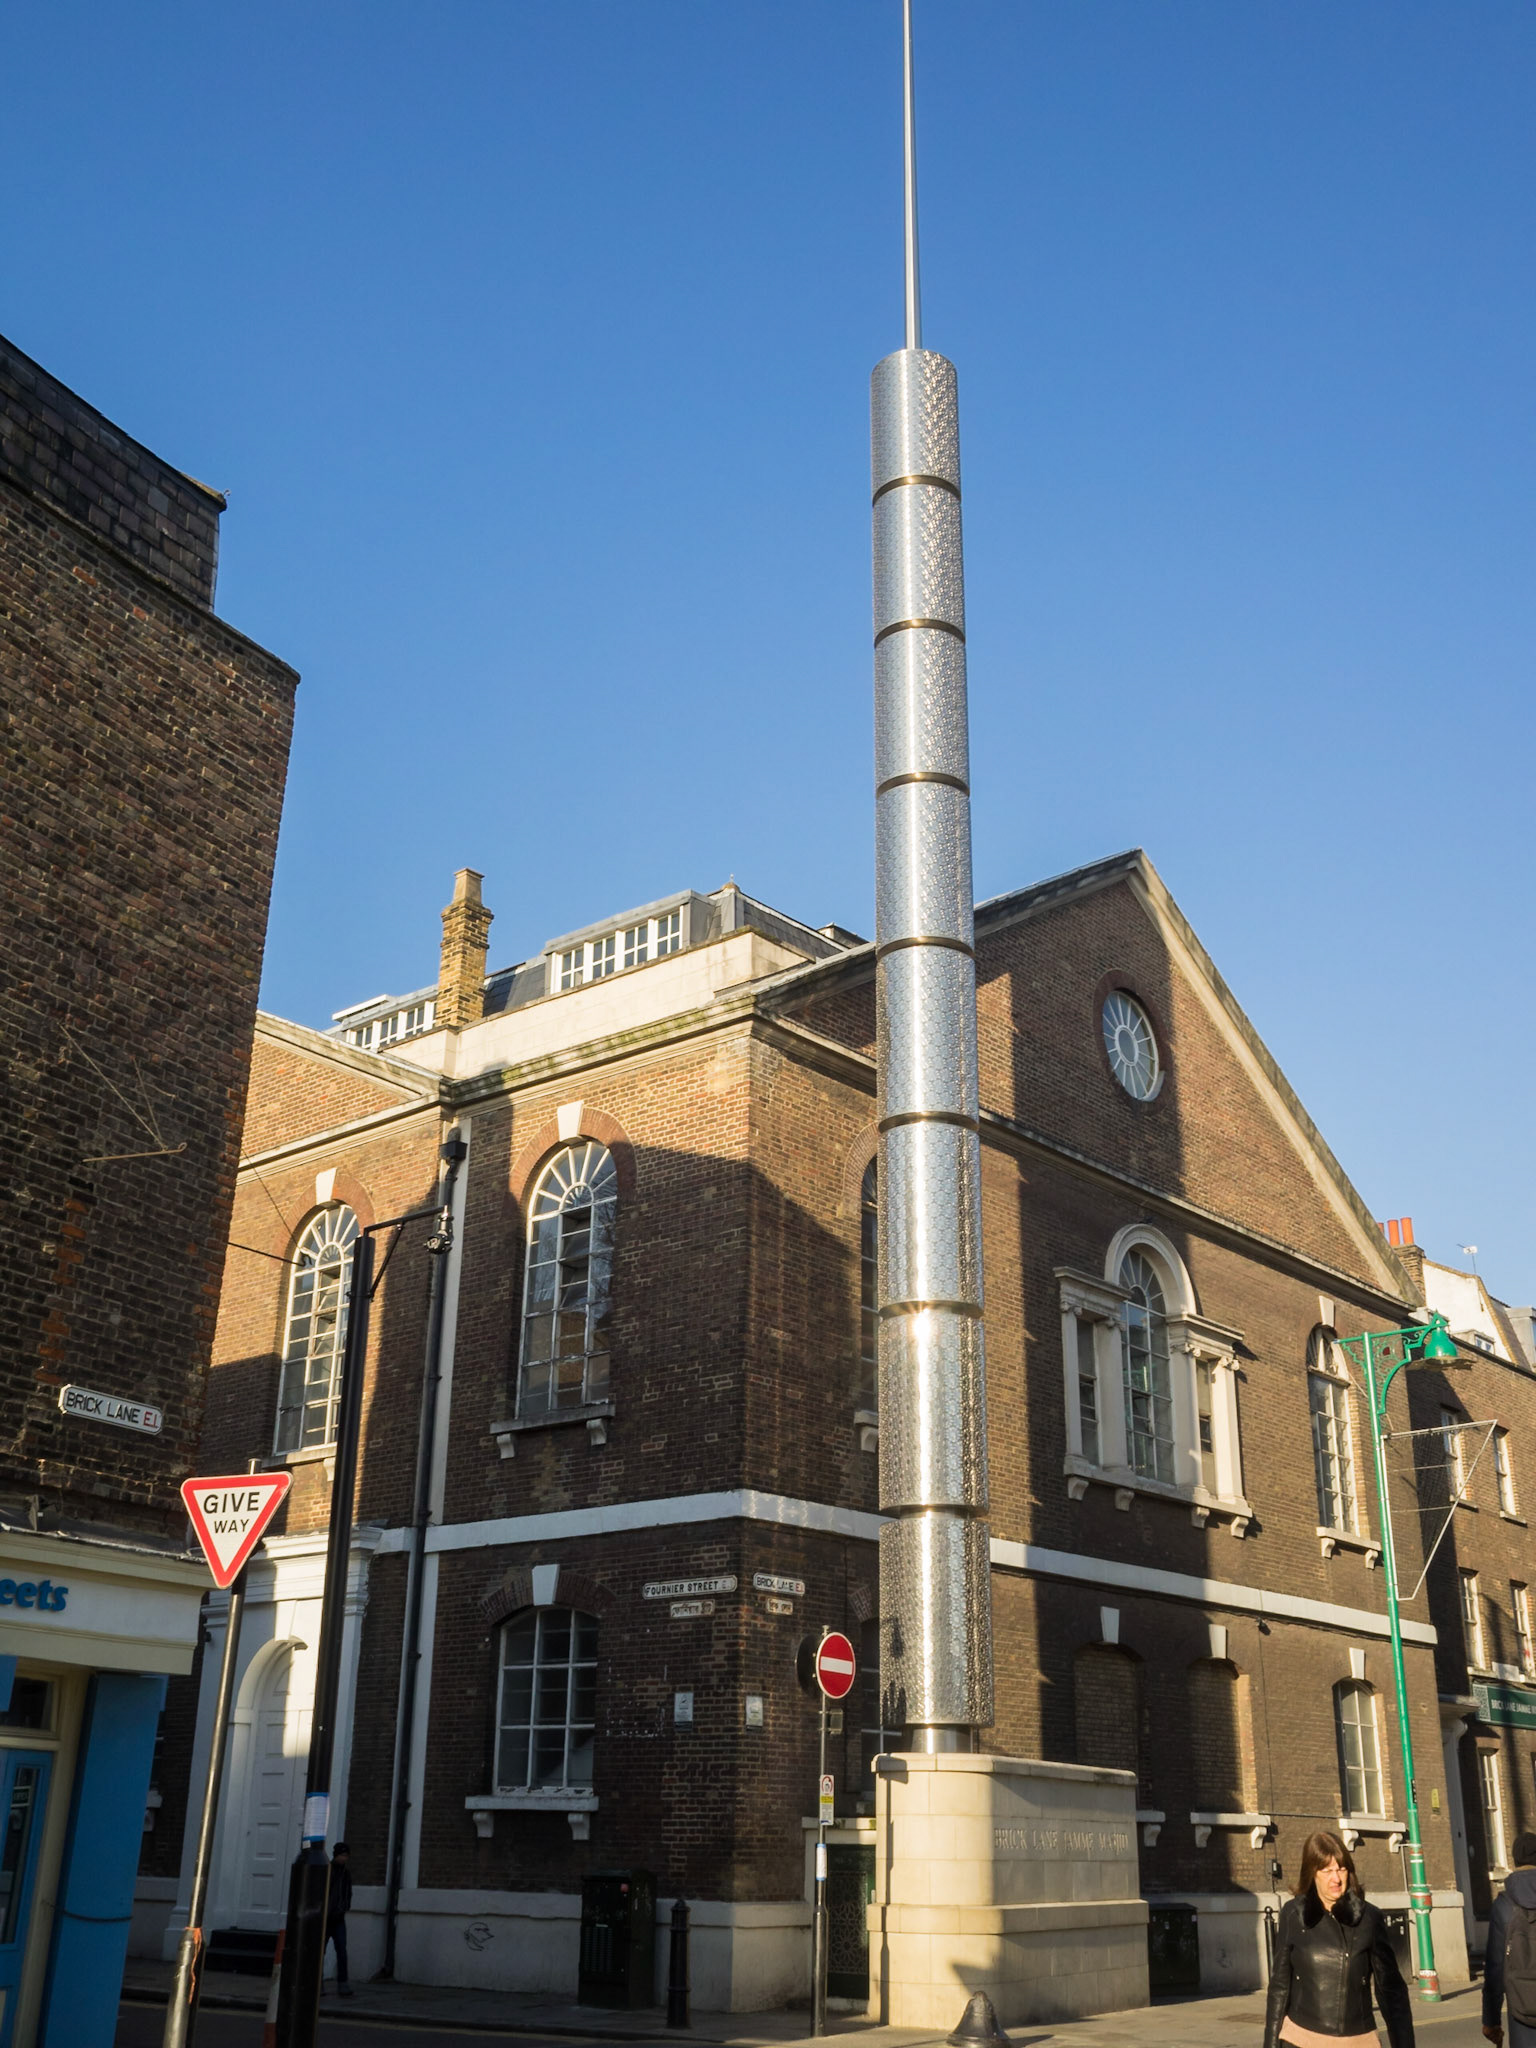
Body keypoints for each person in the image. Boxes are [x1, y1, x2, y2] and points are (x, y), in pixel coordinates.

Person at [1264, 1830, 1414, 2048]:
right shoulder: (1293, 1914)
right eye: (1327, 1870)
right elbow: (1279, 1987)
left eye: (1341, 1869)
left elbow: (1392, 1992)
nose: (1336, 1878)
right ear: (1312, 1873)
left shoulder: (1369, 1918)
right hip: (1301, 2039)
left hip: (1357, 2040)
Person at [1483, 1829, 1536, 2047]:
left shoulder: (1504, 1905)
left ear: (1515, 1861)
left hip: (1521, 2012)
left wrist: (1491, 2020)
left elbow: (1495, 1968)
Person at [326, 1840, 354, 1998]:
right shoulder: (327, 1871)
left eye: (346, 1855)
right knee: (320, 1952)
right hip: (326, 1919)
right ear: (336, 1855)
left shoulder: (346, 1874)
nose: (344, 1858)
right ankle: (318, 1983)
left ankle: (343, 1983)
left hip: (338, 1918)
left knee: (342, 1951)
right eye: (342, 1855)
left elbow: (348, 1893)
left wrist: (344, 1907)